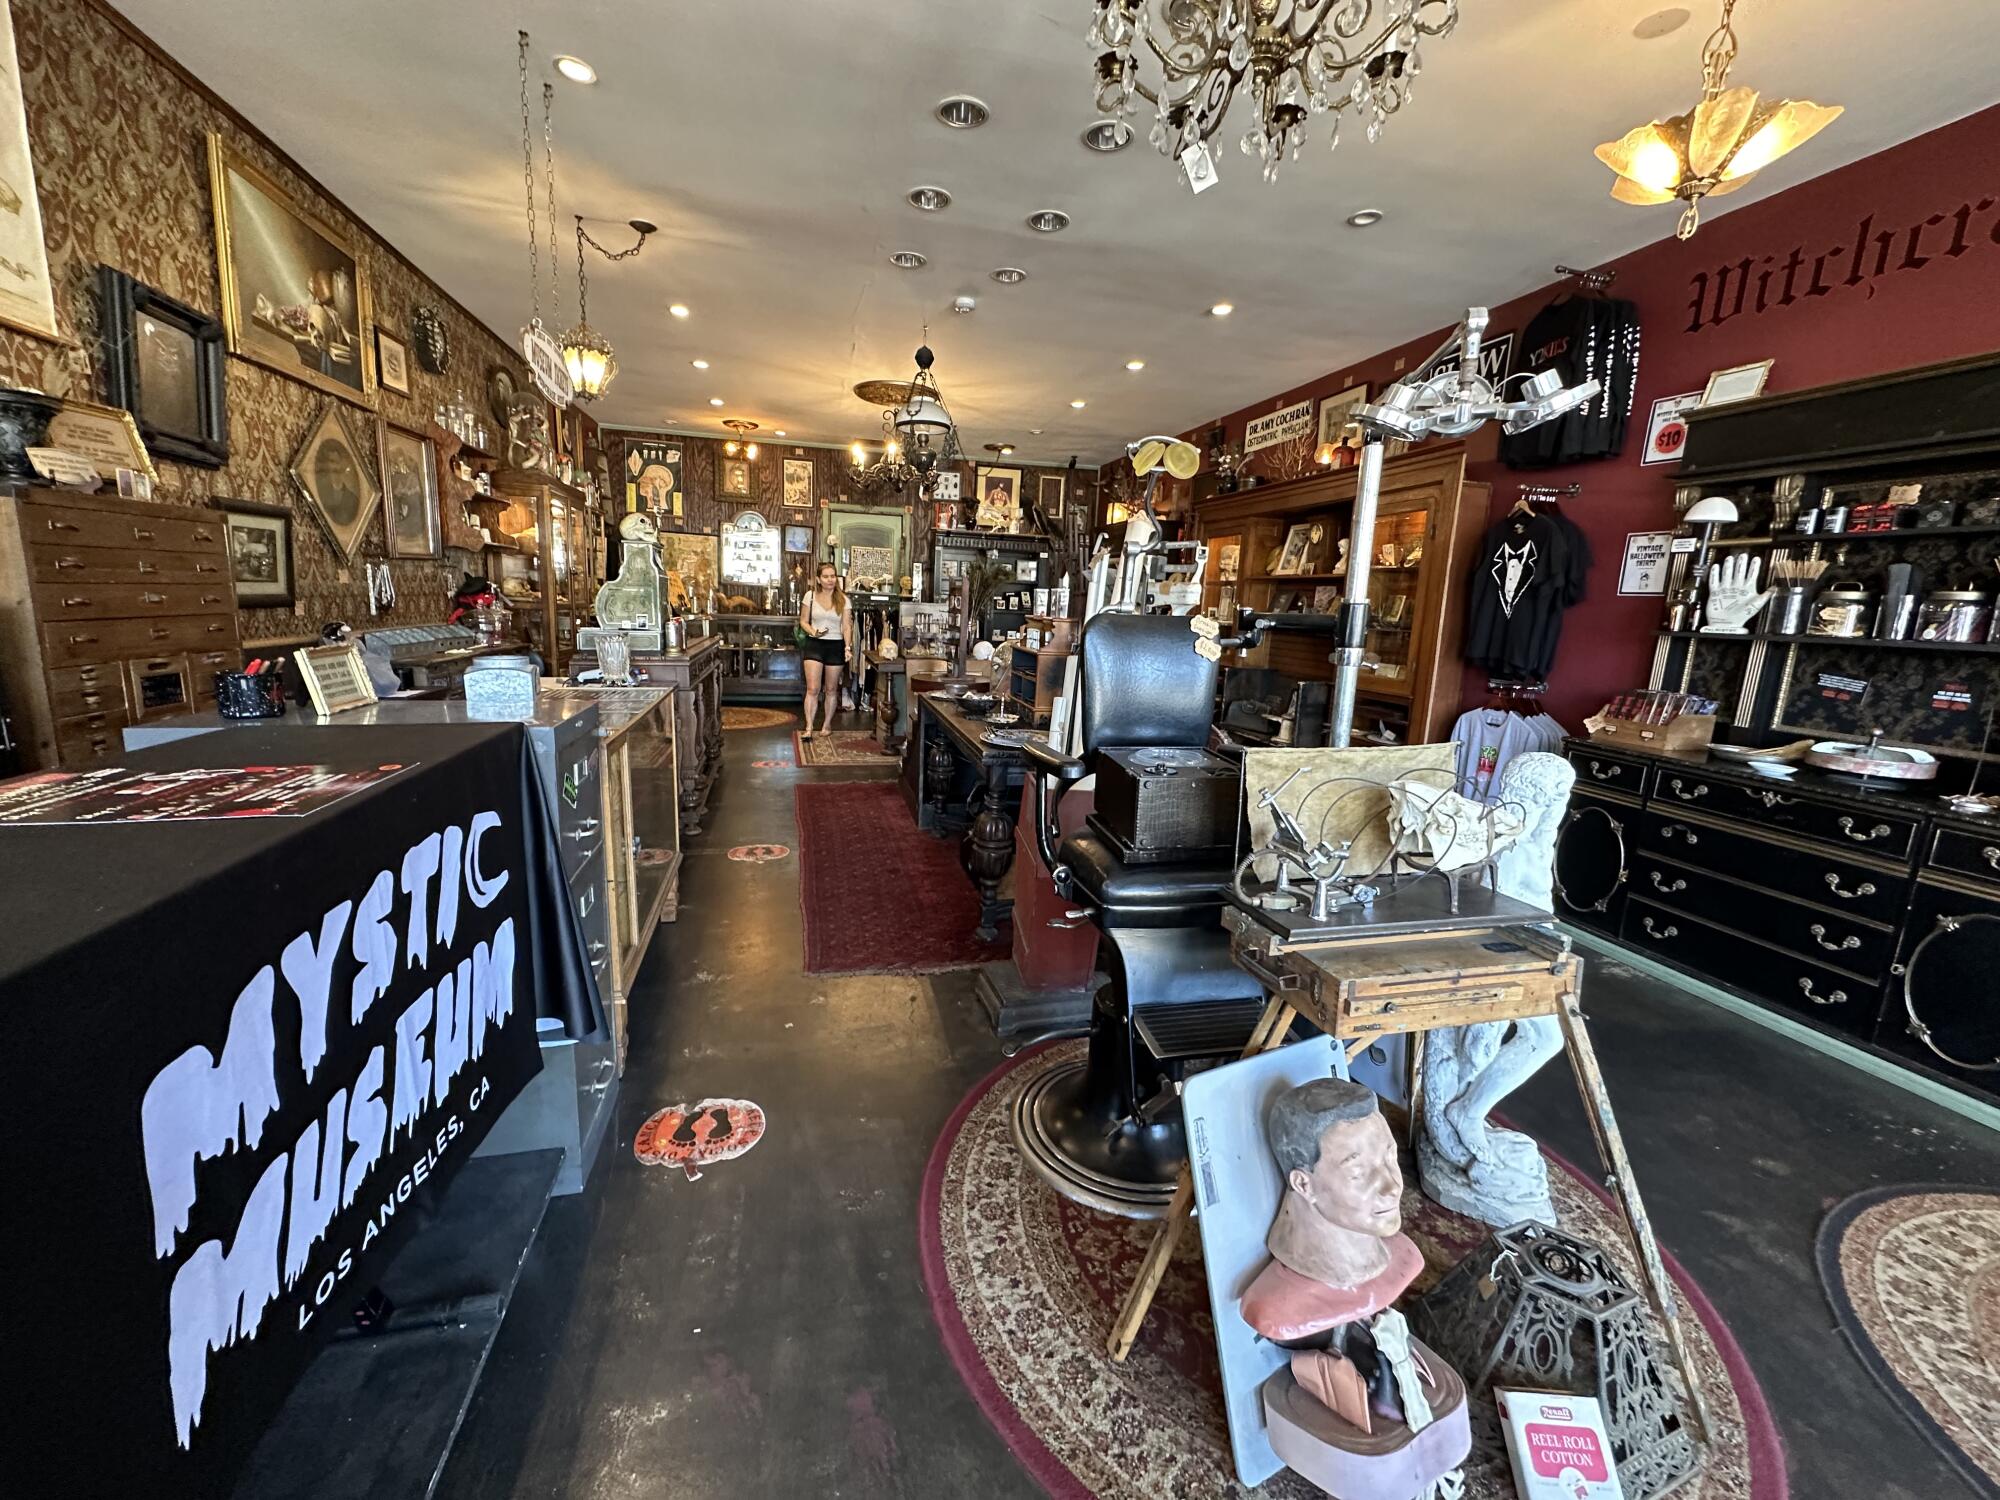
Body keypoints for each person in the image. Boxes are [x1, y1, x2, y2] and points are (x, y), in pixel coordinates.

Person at [798, 561, 852, 740]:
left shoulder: (844, 600)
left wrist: (847, 647)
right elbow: (803, 621)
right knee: (813, 688)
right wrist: (813, 631)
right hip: (815, 644)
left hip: (835, 645)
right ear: (819, 579)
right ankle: (809, 727)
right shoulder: (810, 596)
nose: (830, 580)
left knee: (830, 689)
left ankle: (827, 724)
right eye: (826, 576)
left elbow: (846, 626)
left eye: (833, 576)